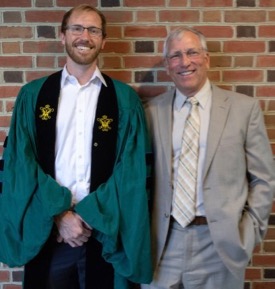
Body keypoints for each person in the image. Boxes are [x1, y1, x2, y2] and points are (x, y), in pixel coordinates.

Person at [0, 4, 152, 289]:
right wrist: (60, 214)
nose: (85, 36)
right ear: (63, 36)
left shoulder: (124, 100)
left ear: (103, 40)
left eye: (93, 30)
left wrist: (87, 215)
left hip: (106, 230)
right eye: (77, 28)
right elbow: (22, 162)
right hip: (48, 229)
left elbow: (129, 171)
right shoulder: (33, 96)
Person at [141, 26, 275, 289]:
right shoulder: (151, 112)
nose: (185, 62)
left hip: (220, 245)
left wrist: (248, 233)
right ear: (168, 65)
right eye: (176, 56)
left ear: (206, 58)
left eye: (192, 52)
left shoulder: (243, 109)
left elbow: (264, 179)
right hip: (163, 244)